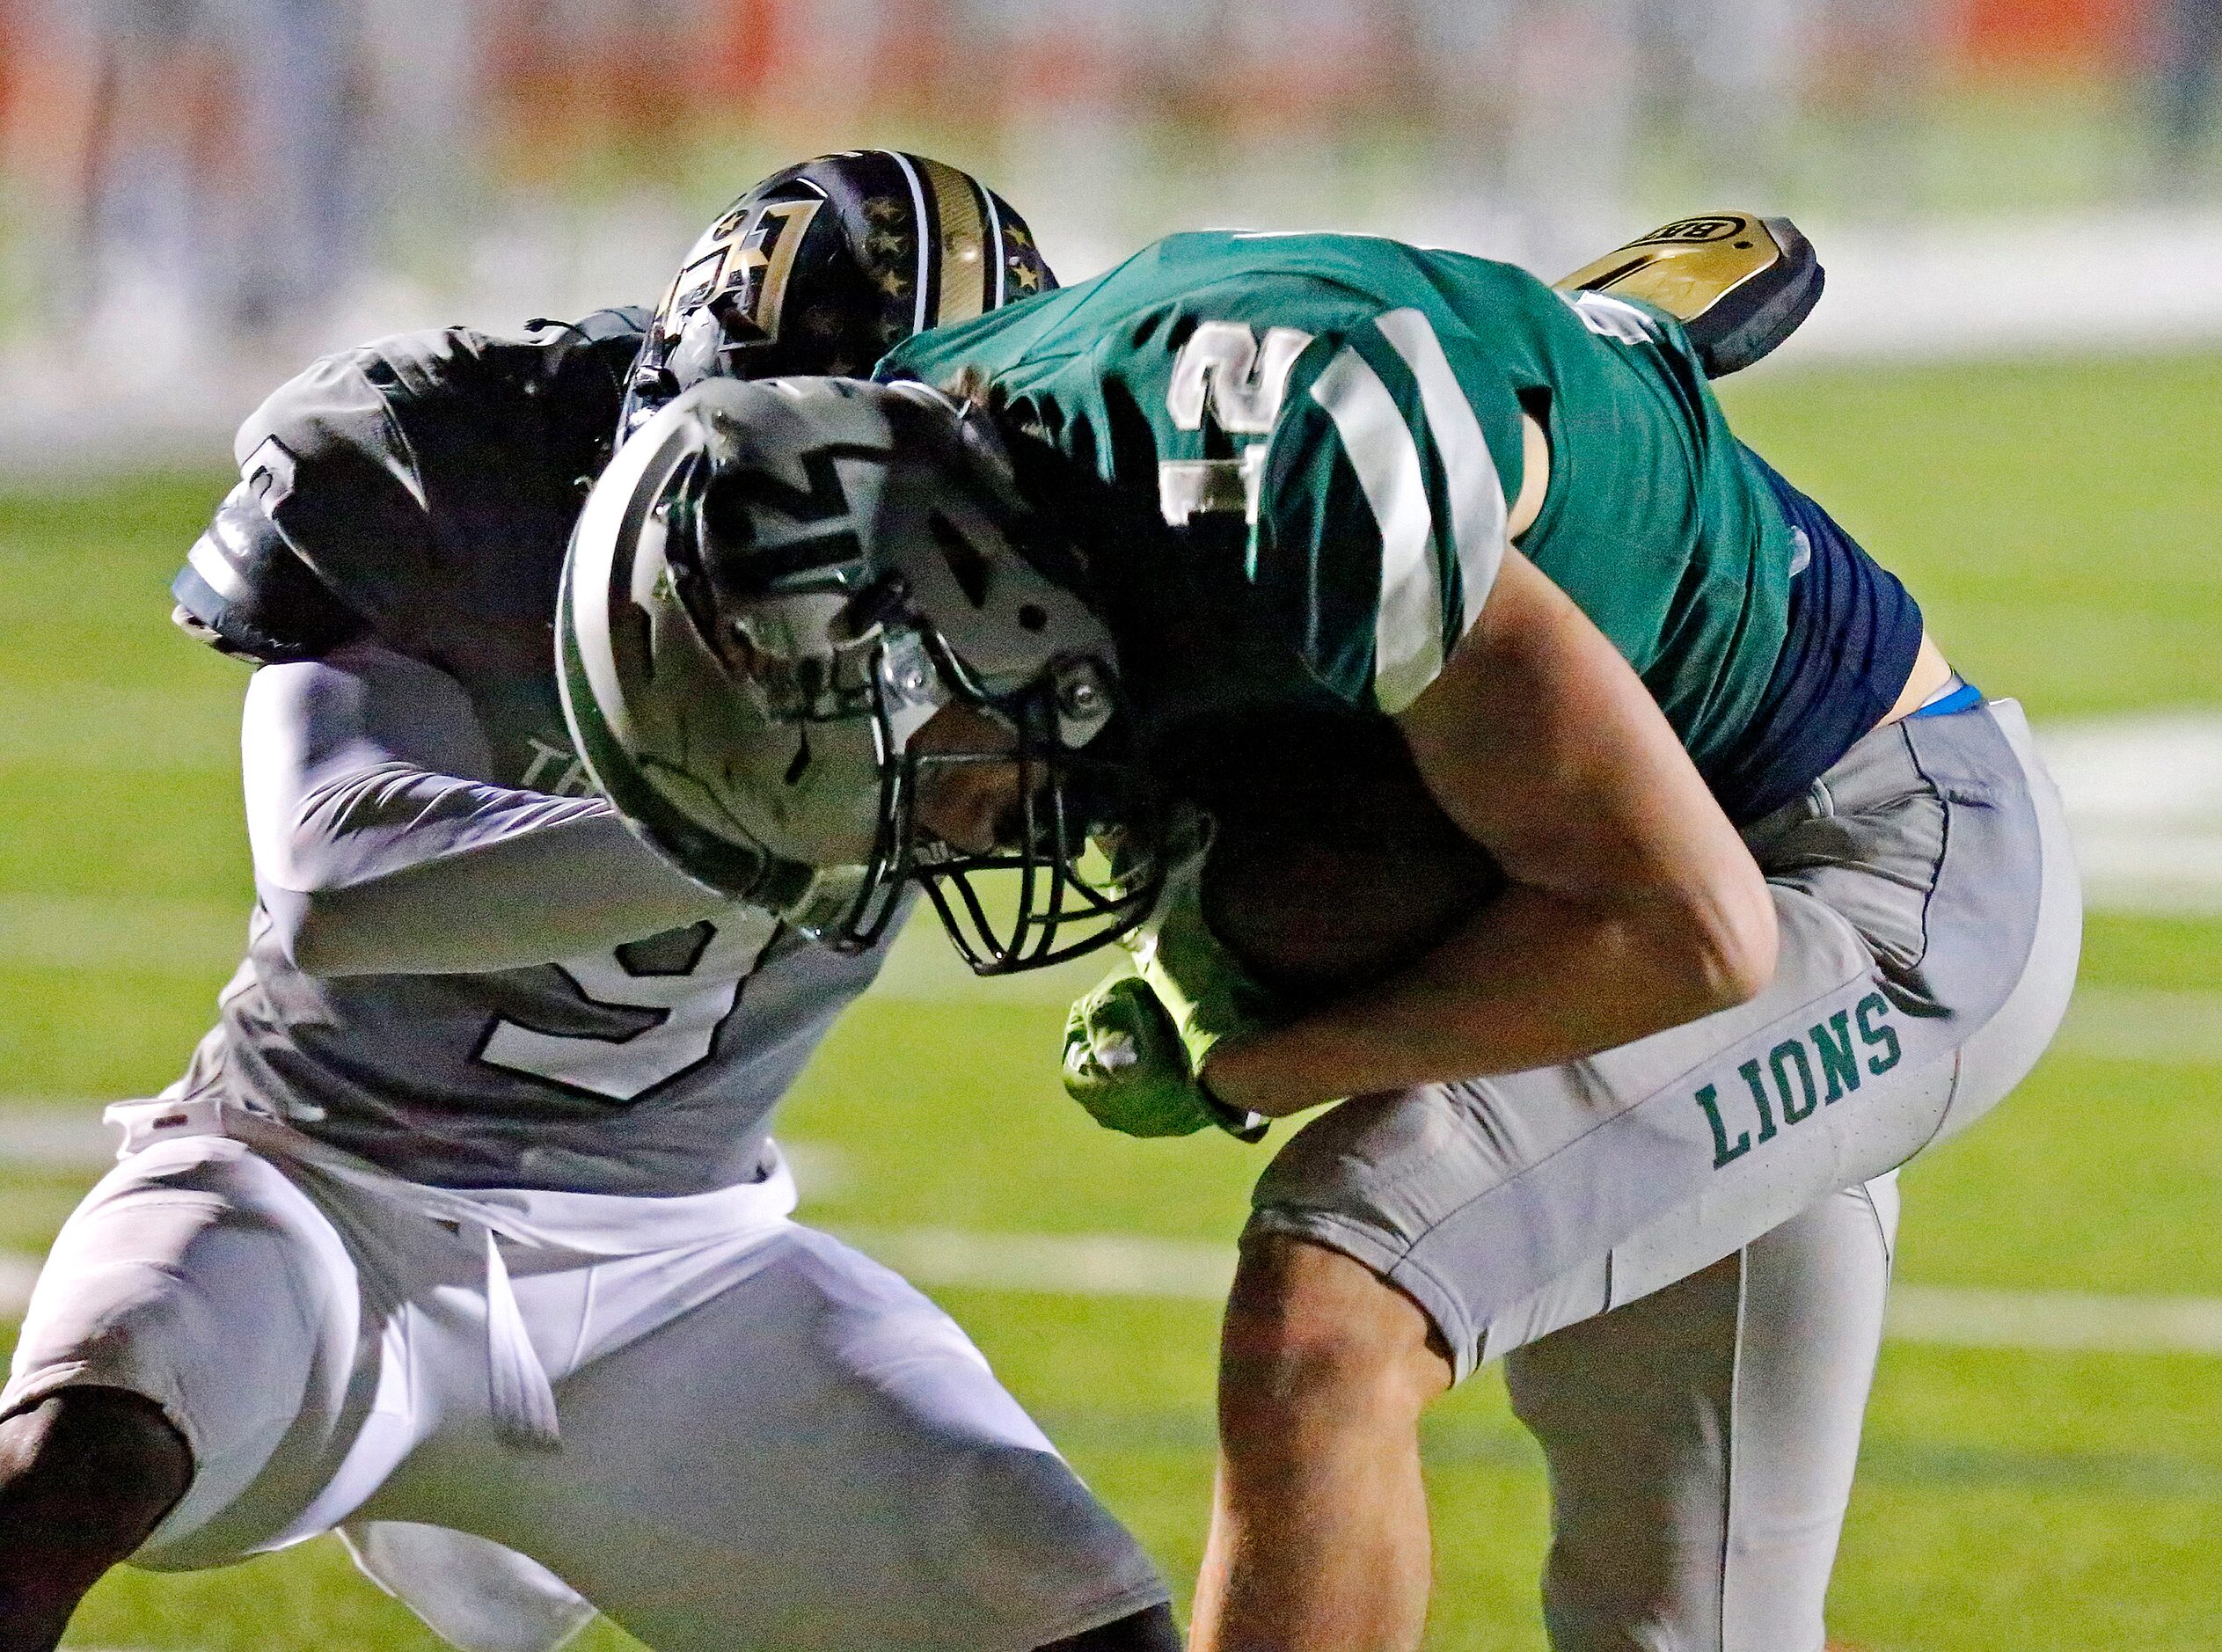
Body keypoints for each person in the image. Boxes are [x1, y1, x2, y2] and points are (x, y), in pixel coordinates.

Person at [559, 219, 2081, 1652]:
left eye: (925, 770)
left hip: (1859, 867)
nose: (956, 829)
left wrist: (1261, 1058)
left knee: (1329, 1311)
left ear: (950, 600)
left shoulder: (1277, 468)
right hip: (1650, 870)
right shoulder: (942, 470)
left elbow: (1689, 933)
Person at [0, 150, 1173, 1652]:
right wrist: (766, 815)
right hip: (312, 1193)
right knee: (71, 1460)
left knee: (1077, 1615)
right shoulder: (459, 458)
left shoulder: (1043, 556)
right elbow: (338, 877)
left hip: (685, 1269)